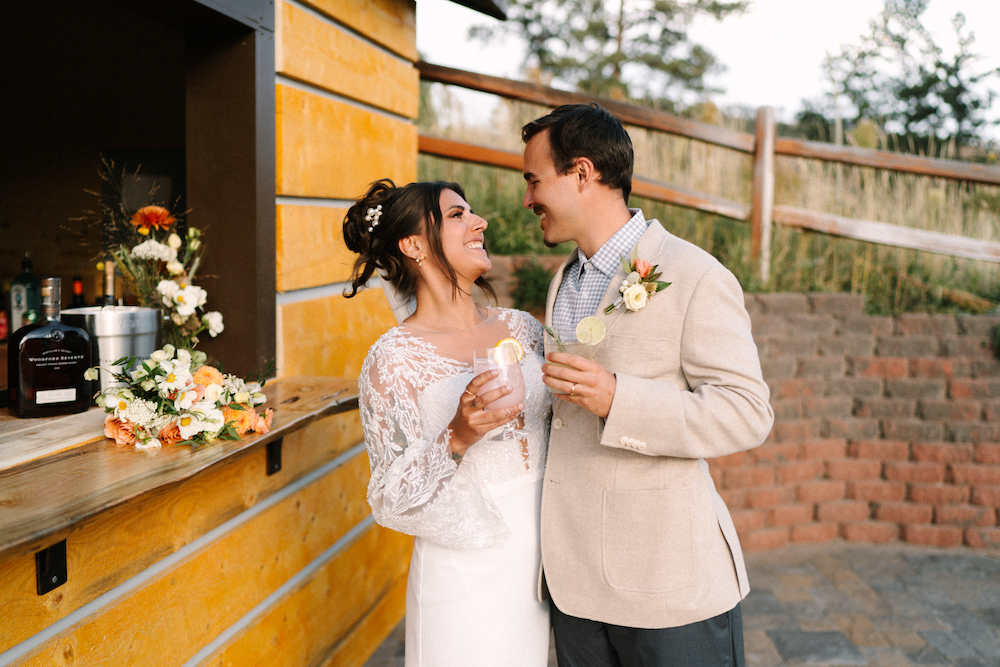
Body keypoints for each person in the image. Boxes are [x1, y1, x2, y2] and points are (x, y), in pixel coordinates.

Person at [522, 103, 774, 666]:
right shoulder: (565, 276)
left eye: (534, 180)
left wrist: (619, 399)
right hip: (574, 586)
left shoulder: (695, 275)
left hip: (669, 590)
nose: (527, 199)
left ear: (582, 173)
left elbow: (747, 412)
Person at [344, 179, 552, 667]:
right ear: (413, 244)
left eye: (472, 212)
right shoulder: (393, 359)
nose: (480, 222)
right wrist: (459, 434)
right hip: (464, 572)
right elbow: (392, 498)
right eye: (457, 215)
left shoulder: (524, 328)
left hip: (541, 563)